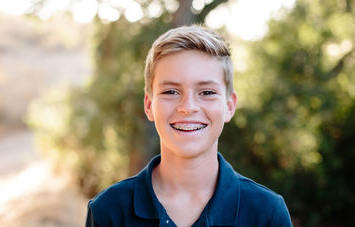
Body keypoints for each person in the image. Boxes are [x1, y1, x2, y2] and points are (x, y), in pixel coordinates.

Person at [85, 25, 293, 227]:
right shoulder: (108, 211)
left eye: (207, 92)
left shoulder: (267, 213)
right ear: (149, 106)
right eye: (171, 92)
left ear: (229, 106)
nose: (188, 107)